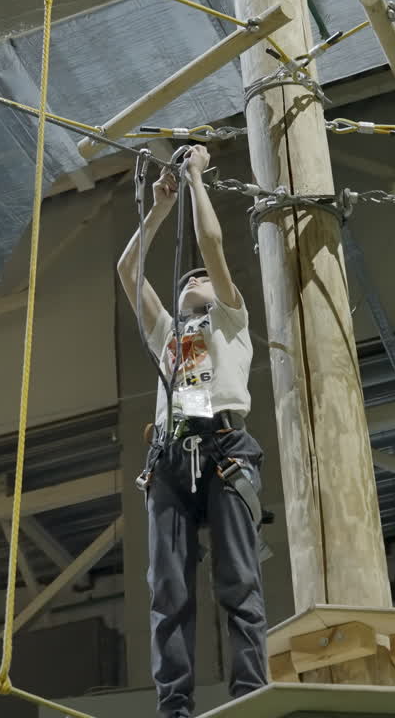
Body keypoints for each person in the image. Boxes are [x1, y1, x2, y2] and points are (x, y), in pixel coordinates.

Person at [116, 145, 267, 718]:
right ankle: (174, 708)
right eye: (187, 280)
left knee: (238, 582)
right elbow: (128, 271)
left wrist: (196, 180)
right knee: (168, 592)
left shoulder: (229, 320)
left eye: (200, 279)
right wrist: (157, 210)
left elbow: (211, 247)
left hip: (225, 448)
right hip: (171, 457)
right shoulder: (170, 338)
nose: (193, 278)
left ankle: (250, 694)